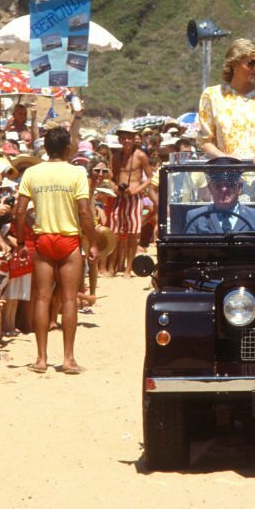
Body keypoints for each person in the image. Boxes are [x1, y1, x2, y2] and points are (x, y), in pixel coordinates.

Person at [15, 126, 99, 375]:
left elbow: (19, 211)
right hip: (68, 239)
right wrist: (92, 241)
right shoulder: (76, 173)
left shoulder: (32, 172)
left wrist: (20, 242)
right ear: (67, 148)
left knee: (41, 298)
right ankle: (68, 359)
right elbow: (84, 212)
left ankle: (41, 359)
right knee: (69, 299)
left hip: (43, 238)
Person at [197, 38, 255, 164]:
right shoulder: (212, 96)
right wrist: (226, 160)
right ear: (234, 64)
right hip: (225, 176)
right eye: (251, 64)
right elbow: (205, 140)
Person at [184, 158, 255, 234]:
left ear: (239, 188)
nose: (224, 189)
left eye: (230, 184)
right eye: (218, 185)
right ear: (210, 188)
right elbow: (188, 251)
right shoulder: (195, 217)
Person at [111, 122, 151, 278]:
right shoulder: (116, 155)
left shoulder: (140, 155)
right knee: (115, 232)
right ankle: (115, 266)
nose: (127, 141)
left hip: (134, 198)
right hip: (119, 198)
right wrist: (114, 186)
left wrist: (137, 190)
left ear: (134, 139)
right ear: (120, 139)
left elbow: (149, 178)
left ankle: (128, 269)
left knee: (133, 234)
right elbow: (111, 176)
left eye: (129, 138)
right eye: (124, 138)